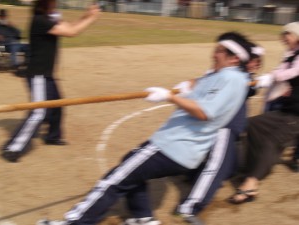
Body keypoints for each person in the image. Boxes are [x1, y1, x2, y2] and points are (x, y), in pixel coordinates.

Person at [36, 33, 251, 225]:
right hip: (178, 147)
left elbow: (205, 112)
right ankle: (143, 217)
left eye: (220, 51)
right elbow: (205, 82)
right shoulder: (225, 76)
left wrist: (170, 97)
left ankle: (74, 222)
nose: (214, 54)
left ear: (234, 58)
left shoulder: (230, 78)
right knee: (130, 171)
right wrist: (188, 86)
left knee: (114, 179)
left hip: (174, 145)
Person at [172, 34, 264, 225]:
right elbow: (241, 86)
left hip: (227, 126)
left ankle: (191, 175)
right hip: (225, 127)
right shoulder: (234, 76)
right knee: (217, 167)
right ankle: (189, 207)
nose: (256, 64)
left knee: (228, 165)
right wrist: (188, 85)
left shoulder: (236, 76)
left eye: (259, 61)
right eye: (254, 60)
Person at [1, 0, 100, 162]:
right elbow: (72, 32)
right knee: (38, 112)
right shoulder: (40, 20)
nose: (57, 4)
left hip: (46, 74)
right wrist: (92, 18)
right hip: (38, 74)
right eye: (54, 2)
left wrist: (86, 16)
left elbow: (68, 26)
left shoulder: (48, 18)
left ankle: (52, 136)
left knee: (57, 106)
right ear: (45, 4)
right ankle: (12, 147)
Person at [228, 22, 299, 204]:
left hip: (296, 115)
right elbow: (281, 73)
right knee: (251, 125)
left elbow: (290, 73)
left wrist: (275, 77)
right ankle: (249, 167)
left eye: (287, 34)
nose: (284, 37)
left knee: (271, 141)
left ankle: (251, 184)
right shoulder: (291, 55)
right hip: (286, 109)